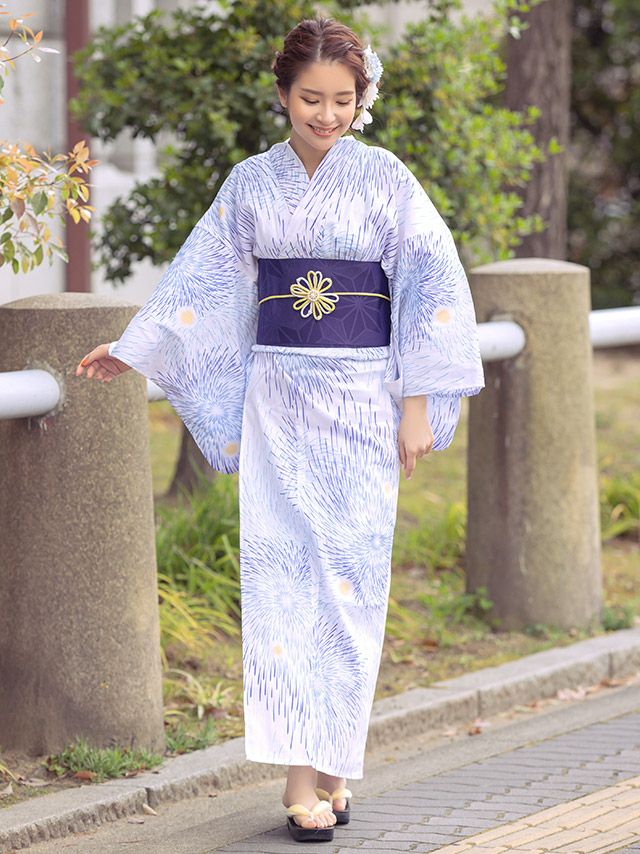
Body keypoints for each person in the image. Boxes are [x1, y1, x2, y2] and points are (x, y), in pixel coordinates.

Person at [76, 16, 485, 843]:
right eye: (310, 99)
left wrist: (416, 402)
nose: (326, 115)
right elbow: (203, 278)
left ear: (362, 98)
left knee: (351, 584)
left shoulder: (386, 179)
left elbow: (431, 283)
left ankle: (333, 764)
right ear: (282, 95)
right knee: (284, 581)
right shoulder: (251, 184)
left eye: (342, 100)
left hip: (362, 400)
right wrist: (135, 347)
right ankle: (303, 780)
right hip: (279, 400)